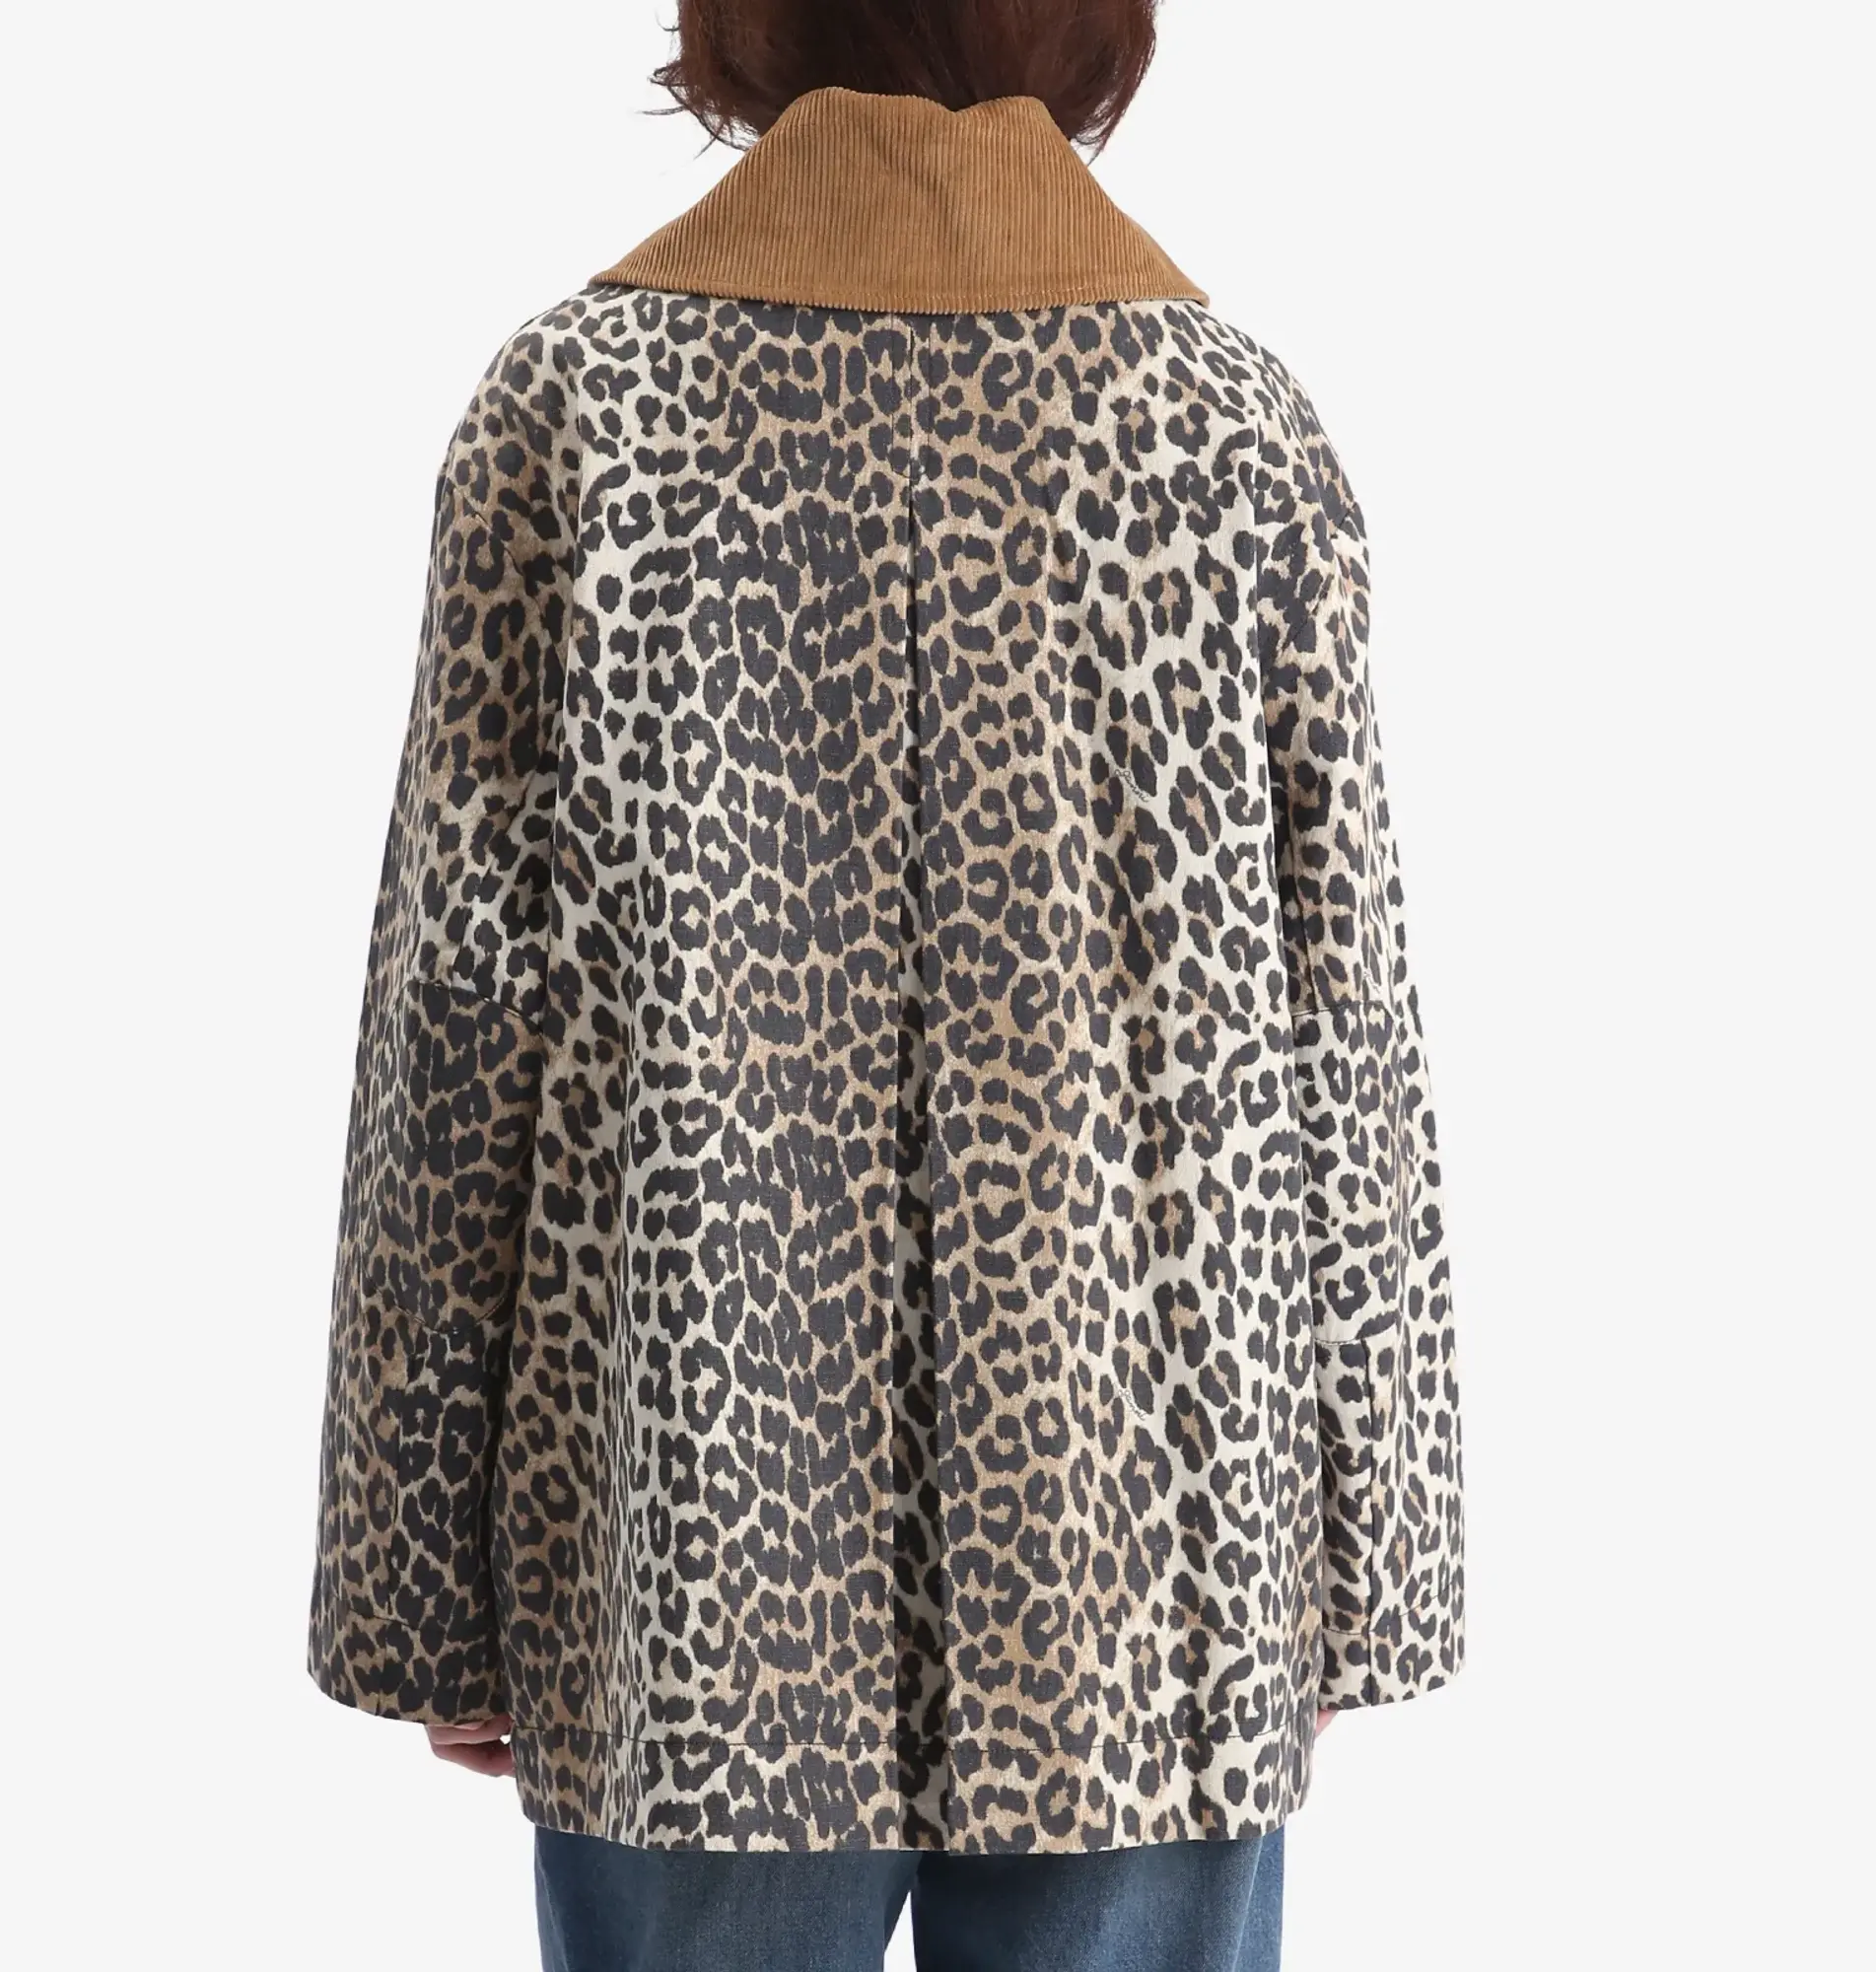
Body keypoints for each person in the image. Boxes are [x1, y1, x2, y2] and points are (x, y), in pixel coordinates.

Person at [307, 3, 1465, 1965]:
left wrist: (422, 1582)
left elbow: (455, 1028)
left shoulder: (578, 410)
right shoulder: (1232, 431)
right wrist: (1357, 1571)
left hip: (689, 1558)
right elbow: (1341, 1031)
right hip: (1148, 1545)